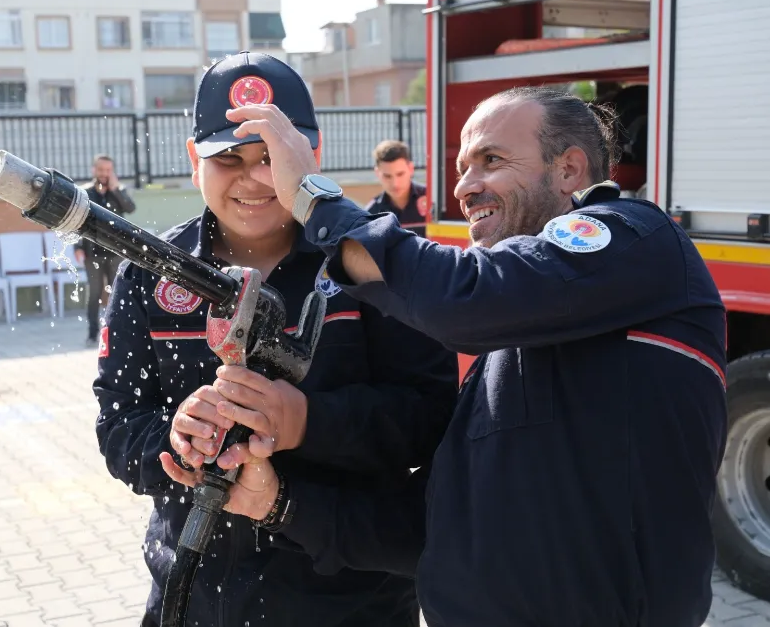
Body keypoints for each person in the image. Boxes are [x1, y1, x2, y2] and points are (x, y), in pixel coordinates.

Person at [164, 86, 729, 627]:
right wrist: (277, 502)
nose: (465, 186)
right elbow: (432, 526)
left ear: (570, 169)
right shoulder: (506, 342)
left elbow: (464, 299)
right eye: (462, 168)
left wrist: (313, 197)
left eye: (491, 160)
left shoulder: (636, 239)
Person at [93, 52, 459, 627]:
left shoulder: (369, 261)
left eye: (272, 156)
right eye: (229, 158)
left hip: (350, 602)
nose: (255, 178)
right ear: (194, 161)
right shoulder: (151, 269)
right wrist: (174, 441)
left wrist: (303, 421)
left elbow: (432, 420)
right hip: (189, 601)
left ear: (311, 152)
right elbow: (116, 421)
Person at [74, 155, 136, 345]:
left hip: (115, 252)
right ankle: (93, 334)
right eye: (101, 170)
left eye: (108, 170)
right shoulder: (85, 192)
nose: (104, 174)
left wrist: (116, 189)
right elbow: (77, 220)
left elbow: (130, 208)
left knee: (116, 293)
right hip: (92, 252)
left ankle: (115, 333)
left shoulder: (119, 191)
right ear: (94, 170)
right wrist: (77, 246)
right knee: (94, 294)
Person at [364, 140, 428, 237]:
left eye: (400, 174)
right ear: (377, 173)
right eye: (387, 176)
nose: (395, 183)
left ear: (411, 169)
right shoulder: (372, 214)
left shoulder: (432, 201)